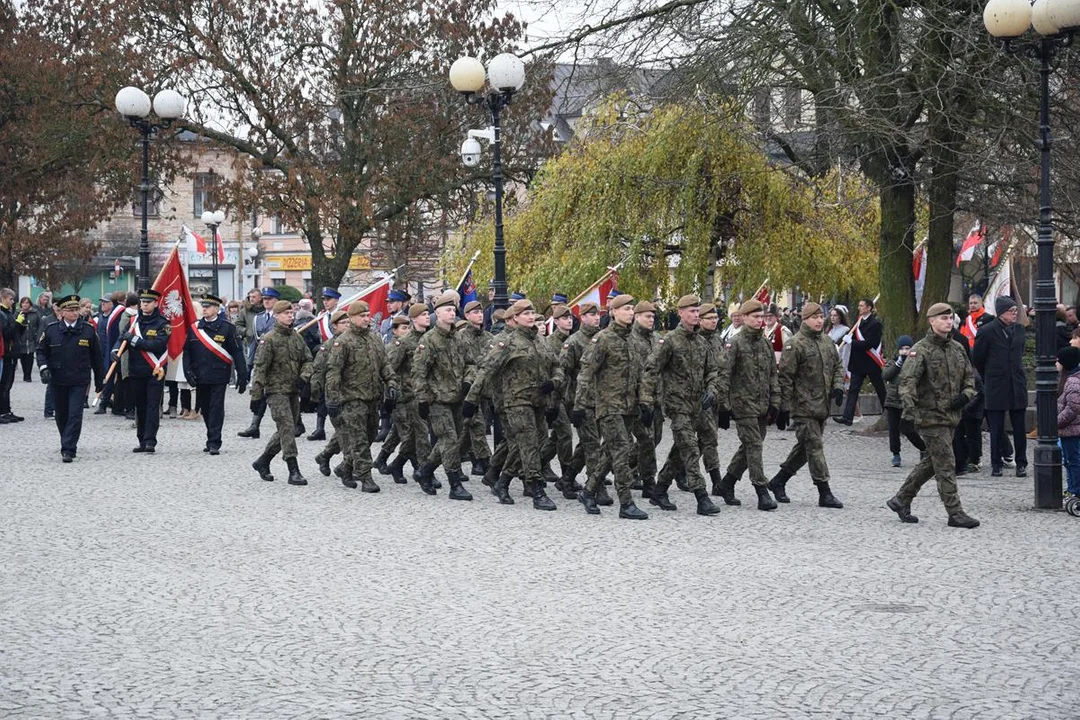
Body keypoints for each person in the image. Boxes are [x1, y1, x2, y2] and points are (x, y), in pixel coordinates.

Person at [886, 302, 979, 528]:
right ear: (932, 321)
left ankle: (901, 499)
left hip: (952, 416)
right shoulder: (921, 350)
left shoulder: (957, 348)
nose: (948, 322)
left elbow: (970, 378)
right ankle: (955, 512)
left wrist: (966, 396)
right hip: (929, 417)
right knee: (946, 463)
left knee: (932, 462)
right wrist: (908, 414)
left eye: (950, 318)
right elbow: (907, 384)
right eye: (943, 319)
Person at [464, 298, 563, 511]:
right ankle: (537, 490)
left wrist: (554, 382)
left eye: (532, 313)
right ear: (515, 318)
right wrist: (471, 399)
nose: (530, 317)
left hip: (538, 400)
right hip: (515, 401)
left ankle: (502, 482)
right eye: (525, 313)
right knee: (528, 443)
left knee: (522, 445)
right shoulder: (507, 343)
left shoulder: (540, 341)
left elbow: (557, 365)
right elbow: (487, 370)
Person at [574, 293, 652, 518]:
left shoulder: (633, 341)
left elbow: (641, 375)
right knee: (621, 451)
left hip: (629, 406)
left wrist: (645, 401)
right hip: (608, 406)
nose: (629, 313)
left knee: (610, 452)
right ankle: (626, 503)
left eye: (631, 309)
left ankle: (588, 492)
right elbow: (586, 373)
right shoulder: (603, 339)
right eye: (625, 309)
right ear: (613, 312)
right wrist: (579, 405)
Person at [647, 294, 722, 516]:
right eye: (691, 311)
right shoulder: (670, 340)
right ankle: (702, 496)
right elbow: (652, 369)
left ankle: (660, 489)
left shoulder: (701, 342)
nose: (696, 315)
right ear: (680, 313)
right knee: (690, 447)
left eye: (698, 311)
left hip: (697, 406)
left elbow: (712, 371)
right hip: (676, 404)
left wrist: (712, 390)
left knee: (680, 449)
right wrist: (647, 400)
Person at [768, 302, 845, 508]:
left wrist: (838, 387)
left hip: (822, 406)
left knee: (806, 448)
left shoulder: (827, 342)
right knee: (815, 447)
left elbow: (837, 366)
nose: (820, 321)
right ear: (805, 319)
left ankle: (778, 481)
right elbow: (785, 378)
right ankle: (824, 491)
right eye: (815, 317)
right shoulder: (795, 344)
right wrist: (783, 407)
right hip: (803, 407)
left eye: (822, 317)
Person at [714, 298, 780, 510]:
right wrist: (723, 406)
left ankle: (727, 483)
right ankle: (761, 490)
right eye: (755, 317)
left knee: (750, 447)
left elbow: (772, 375)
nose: (759, 320)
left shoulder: (765, 343)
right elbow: (724, 375)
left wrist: (776, 402)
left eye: (761, 317)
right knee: (754, 445)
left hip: (761, 404)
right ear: (743, 318)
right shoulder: (735, 343)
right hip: (742, 405)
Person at [325, 300, 398, 492]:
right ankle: (366, 477)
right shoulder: (344, 341)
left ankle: (345, 468)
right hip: (352, 398)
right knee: (359, 440)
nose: (367, 319)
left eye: (368, 315)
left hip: (373, 397)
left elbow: (384, 364)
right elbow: (334, 372)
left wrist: (391, 382)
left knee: (370, 434)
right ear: (352, 318)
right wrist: (332, 399)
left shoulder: (374, 338)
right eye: (362, 316)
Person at [412, 291, 473, 499]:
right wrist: (422, 399)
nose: (451, 313)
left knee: (450, 441)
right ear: (437, 313)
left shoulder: (459, 338)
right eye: (447, 310)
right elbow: (419, 373)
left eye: (453, 310)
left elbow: (471, 364)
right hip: (437, 399)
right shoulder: (428, 340)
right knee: (448, 439)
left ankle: (425, 471)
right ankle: (455, 484)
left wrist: (467, 381)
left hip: (457, 397)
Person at [249, 300, 314, 485]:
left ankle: (263, 461)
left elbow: (308, 360)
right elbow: (260, 368)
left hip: (293, 390)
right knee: (286, 426)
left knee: (288, 429)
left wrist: (304, 377)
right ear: (276, 316)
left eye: (291, 313)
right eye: (285, 313)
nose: (290, 315)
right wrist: (256, 395)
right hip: (275, 391)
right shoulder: (269, 339)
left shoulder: (296, 337)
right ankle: (293, 469)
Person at [35, 295, 104, 461]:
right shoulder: (51, 330)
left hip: (79, 380)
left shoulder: (88, 330)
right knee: (61, 415)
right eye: (70, 310)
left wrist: (100, 381)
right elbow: (41, 351)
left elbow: (97, 357)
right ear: (62, 312)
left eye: (76, 310)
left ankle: (68, 448)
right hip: (58, 379)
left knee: (75, 414)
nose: (74, 313)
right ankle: (66, 438)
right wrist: (44, 368)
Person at [183, 293, 248, 455]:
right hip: (200, 375)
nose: (204, 309)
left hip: (219, 375)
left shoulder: (227, 328)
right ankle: (210, 435)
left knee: (216, 407)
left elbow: (238, 352)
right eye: (203, 307)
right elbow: (187, 352)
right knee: (205, 408)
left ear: (217, 309)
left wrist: (242, 375)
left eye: (208, 307)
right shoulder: (195, 328)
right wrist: (187, 372)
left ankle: (214, 441)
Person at [972, 296, 1028, 477]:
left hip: (1017, 385)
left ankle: (1021, 462)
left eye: (1015, 311)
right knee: (996, 428)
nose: (1015, 314)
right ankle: (996, 463)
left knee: (1019, 428)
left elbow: (1020, 353)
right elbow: (979, 359)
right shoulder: (987, 331)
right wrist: (990, 375)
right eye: (1011, 311)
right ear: (1001, 313)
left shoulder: (1019, 330)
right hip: (996, 385)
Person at [114, 288, 170, 453]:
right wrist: (115, 351)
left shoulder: (163, 323)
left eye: (148, 302)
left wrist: (135, 340)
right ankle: (141, 440)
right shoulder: (133, 322)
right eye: (142, 302)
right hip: (136, 369)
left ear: (155, 303)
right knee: (140, 406)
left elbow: (158, 345)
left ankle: (150, 440)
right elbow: (122, 338)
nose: (144, 305)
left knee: (152, 405)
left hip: (155, 370)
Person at [238, 287, 280, 439]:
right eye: (265, 298)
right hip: (262, 361)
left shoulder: (282, 317)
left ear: (276, 300)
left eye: (270, 299)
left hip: (279, 362)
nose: (266, 301)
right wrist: (250, 363)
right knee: (259, 392)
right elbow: (255, 342)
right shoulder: (258, 318)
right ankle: (255, 425)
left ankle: (297, 423)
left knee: (284, 394)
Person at [457, 300, 493, 476]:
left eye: (481, 312)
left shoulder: (489, 338)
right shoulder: (461, 337)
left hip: (485, 390)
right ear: (467, 316)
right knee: (477, 426)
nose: (480, 315)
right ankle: (488, 466)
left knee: (467, 430)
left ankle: (453, 459)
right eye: (475, 312)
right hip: (467, 390)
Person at [837, 298, 885, 425]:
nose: (859, 308)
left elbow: (870, 343)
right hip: (858, 362)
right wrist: (848, 339)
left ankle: (889, 413)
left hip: (870, 362)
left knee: (880, 389)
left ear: (869, 308)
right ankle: (847, 417)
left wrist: (852, 342)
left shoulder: (875, 324)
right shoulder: (858, 322)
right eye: (859, 305)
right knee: (853, 389)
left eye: (862, 306)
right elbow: (853, 337)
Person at [882, 335, 926, 467]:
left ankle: (923, 448)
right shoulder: (893, 362)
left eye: (908, 348)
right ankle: (896, 454)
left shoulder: (915, 362)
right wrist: (899, 363)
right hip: (893, 400)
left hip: (908, 401)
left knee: (909, 429)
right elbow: (886, 375)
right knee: (893, 429)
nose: (905, 351)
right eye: (903, 349)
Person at [1056, 346, 1080, 499]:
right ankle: (1072, 488)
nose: (1056, 363)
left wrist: (1056, 422)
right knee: (1071, 461)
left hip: (1071, 429)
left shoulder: (1072, 382)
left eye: (1058, 361)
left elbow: (1073, 407)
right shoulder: (1071, 380)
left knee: (1073, 461)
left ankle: (1075, 491)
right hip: (1069, 429)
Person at [0, 288, 25, 423]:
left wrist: (22, 325)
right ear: (3, 298)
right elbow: (6, 334)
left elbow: (16, 334)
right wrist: (16, 323)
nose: (12, 301)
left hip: (12, 352)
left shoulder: (9, 313)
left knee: (8, 384)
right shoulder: (1, 314)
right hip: (6, 353)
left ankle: (7, 410)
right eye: (10, 299)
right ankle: (2, 412)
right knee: (4, 384)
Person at [14, 297, 41, 383]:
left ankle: (28, 375)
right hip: (21, 338)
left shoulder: (35, 313)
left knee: (30, 357)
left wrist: (37, 334)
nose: (25, 304)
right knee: (23, 357)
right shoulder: (17, 313)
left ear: (30, 304)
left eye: (27, 303)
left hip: (31, 338)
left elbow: (39, 324)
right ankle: (25, 373)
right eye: (23, 303)